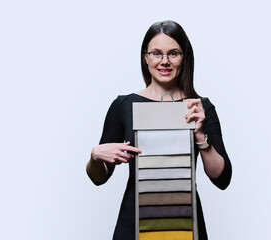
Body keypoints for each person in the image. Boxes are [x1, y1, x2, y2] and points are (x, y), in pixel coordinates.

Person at [86, 20, 232, 240]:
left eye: (173, 53)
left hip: (186, 223)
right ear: (146, 57)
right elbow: (99, 178)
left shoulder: (200, 107)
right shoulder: (123, 105)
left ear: (184, 57)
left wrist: (201, 137)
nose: (164, 61)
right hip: (134, 224)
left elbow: (222, 178)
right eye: (156, 53)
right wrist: (95, 156)